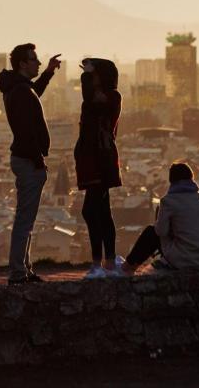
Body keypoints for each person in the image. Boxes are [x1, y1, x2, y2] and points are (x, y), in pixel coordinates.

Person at [0, 44, 61, 285]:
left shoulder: (18, 88)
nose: (38, 63)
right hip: (28, 159)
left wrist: (49, 73)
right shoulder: (21, 91)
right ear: (23, 64)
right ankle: (17, 272)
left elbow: (35, 92)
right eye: (34, 60)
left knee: (26, 217)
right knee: (25, 219)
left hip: (24, 158)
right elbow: (26, 131)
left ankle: (23, 268)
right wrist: (38, 161)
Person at [74, 58, 123, 278]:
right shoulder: (101, 97)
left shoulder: (111, 97)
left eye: (92, 74)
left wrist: (85, 75)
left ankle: (101, 262)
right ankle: (108, 262)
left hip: (100, 158)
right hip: (93, 157)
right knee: (101, 211)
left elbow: (90, 100)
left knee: (92, 210)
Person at [122, 163, 199, 273]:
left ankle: (128, 267)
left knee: (150, 232)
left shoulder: (168, 201)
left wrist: (159, 221)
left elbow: (161, 231)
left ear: (171, 180)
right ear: (191, 178)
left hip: (187, 259)